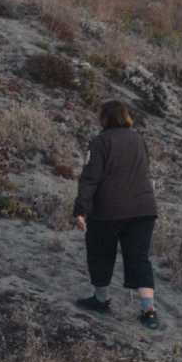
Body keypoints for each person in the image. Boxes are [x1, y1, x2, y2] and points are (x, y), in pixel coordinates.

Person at [72, 98, 160, 329]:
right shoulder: (139, 140)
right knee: (140, 259)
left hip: (108, 210)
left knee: (100, 253)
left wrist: (81, 209)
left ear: (105, 118)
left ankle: (101, 300)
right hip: (144, 209)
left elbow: (90, 178)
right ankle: (149, 311)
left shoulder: (100, 142)